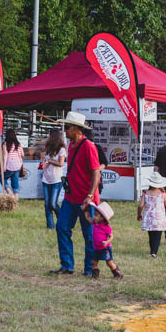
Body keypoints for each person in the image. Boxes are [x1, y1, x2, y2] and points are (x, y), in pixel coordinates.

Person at [50, 112, 100, 276]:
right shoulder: (70, 146)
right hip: (71, 197)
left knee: (89, 235)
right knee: (62, 227)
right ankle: (67, 265)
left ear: (77, 129)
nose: (65, 130)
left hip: (87, 199)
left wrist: (90, 196)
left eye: (68, 127)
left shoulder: (89, 146)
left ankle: (89, 269)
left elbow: (96, 173)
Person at [137, 172, 166, 258]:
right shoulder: (163, 194)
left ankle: (152, 250)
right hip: (159, 219)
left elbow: (140, 205)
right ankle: (154, 252)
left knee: (151, 235)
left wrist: (139, 214)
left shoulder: (145, 193)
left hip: (149, 218)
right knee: (157, 236)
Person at [83, 201, 122, 279]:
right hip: (96, 248)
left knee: (109, 262)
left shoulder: (106, 227)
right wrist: (86, 210)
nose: (94, 216)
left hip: (105, 248)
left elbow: (111, 236)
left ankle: (117, 273)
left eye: (96, 215)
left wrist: (107, 242)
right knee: (94, 262)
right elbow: (88, 218)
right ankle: (95, 275)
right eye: (94, 214)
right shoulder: (95, 223)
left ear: (102, 218)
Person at [41, 129, 66, 229]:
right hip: (46, 178)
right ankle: (50, 225)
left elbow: (61, 163)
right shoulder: (48, 148)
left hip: (56, 179)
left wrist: (50, 161)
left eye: (49, 135)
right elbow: (45, 159)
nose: (47, 137)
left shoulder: (62, 149)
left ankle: (62, 220)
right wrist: (44, 163)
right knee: (47, 204)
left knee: (53, 203)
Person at [2, 129, 24, 200]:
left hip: (10, 164)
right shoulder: (18, 144)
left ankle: (10, 193)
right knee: (15, 181)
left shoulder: (5, 144)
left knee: (2, 178)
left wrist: (4, 166)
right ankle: (16, 199)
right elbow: (22, 154)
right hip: (18, 165)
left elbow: (5, 155)